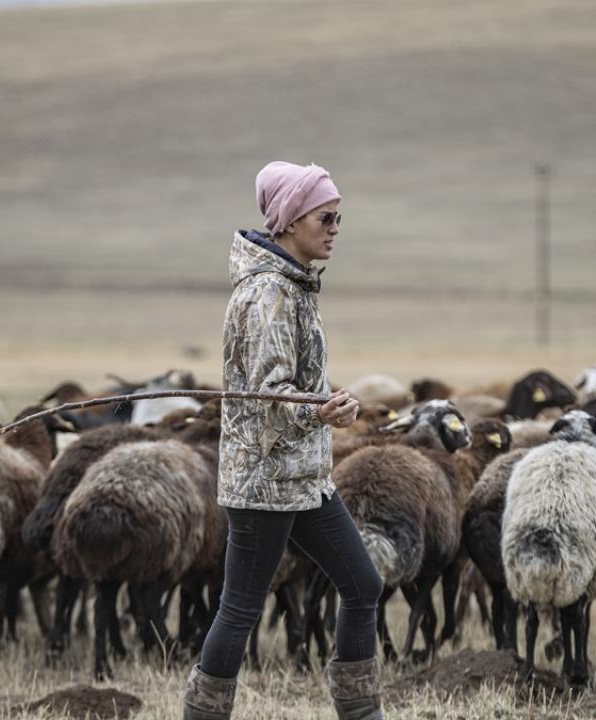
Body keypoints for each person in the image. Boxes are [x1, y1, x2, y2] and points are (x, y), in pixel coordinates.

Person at [182, 162, 385, 720]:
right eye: (326, 216)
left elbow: (285, 396)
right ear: (291, 220)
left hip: (303, 480)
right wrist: (322, 413)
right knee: (242, 609)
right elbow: (269, 404)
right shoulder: (269, 295)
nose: (335, 227)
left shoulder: (292, 287)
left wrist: (321, 411)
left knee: (362, 584)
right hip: (264, 483)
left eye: (338, 216)